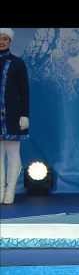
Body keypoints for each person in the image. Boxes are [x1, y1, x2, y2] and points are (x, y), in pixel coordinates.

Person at [0, 28, 30, 205]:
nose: (2, 42)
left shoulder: (18, 63)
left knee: (12, 153)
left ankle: (10, 190)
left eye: (5, 39)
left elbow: (24, 91)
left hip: (13, 115)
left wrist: (25, 114)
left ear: (10, 42)